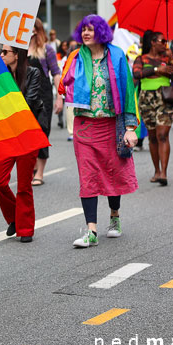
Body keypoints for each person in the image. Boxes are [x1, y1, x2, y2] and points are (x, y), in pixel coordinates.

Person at [55, 15, 138, 248]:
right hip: (85, 126)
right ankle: (91, 230)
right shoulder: (76, 56)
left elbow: (128, 89)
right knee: (88, 177)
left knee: (113, 173)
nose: (86, 33)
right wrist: (65, 79)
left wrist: (130, 127)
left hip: (112, 125)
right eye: (83, 29)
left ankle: (114, 217)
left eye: (91, 29)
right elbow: (64, 84)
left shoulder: (117, 55)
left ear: (101, 31)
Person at [0, 44, 43, 242]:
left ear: (17, 54)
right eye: (0, 52)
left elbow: (28, 104)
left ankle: (26, 229)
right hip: (5, 135)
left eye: (5, 52)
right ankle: (14, 217)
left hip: (26, 135)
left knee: (24, 186)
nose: (2, 55)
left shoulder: (33, 73)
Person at [132, 31, 173, 186]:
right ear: (153, 42)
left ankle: (164, 173)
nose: (165, 44)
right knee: (152, 136)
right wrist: (156, 70)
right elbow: (137, 73)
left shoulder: (167, 59)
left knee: (162, 135)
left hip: (165, 98)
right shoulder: (142, 59)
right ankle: (157, 170)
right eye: (162, 41)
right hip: (146, 99)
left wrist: (171, 62)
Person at [27, 18, 61, 185]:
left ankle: (39, 173)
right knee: (28, 135)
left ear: (37, 29)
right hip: (24, 95)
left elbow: (55, 73)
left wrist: (60, 97)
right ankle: (32, 166)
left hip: (43, 96)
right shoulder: (19, 50)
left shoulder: (47, 50)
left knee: (42, 133)